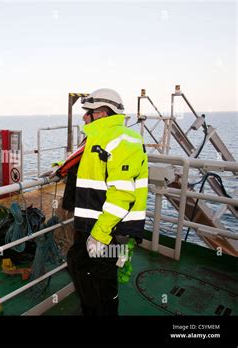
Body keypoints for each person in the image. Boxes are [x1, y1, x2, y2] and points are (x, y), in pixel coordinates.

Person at [65, 88, 148, 316]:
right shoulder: (98, 137)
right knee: (78, 262)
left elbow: (122, 194)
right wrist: (60, 168)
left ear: (101, 113)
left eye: (87, 112)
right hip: (91, 222)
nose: (83, 117)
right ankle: (90, 310)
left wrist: (100, 234)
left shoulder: (122, 140)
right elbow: (91, 169)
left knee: (104, 278)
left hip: (109, 227)